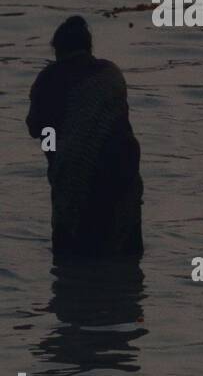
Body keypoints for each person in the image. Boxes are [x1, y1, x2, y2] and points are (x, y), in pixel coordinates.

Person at [26, 16, 143, 259]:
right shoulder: (111, 75)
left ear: (58, 49)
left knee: (74, 263)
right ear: (89, 47)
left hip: (78, 183)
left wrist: (57, 159)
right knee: (125, 263)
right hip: (124, 178)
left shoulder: (49, 79)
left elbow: (36, 127)